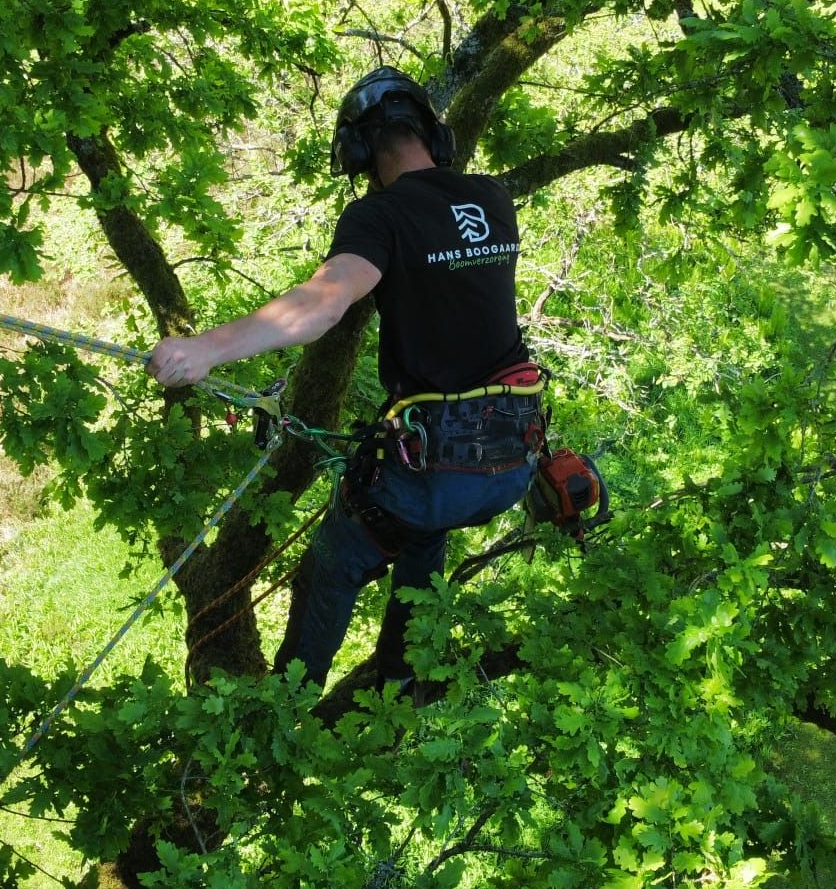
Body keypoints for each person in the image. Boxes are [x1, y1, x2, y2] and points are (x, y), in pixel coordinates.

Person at [146, 66, 542, 691]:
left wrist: (206, 349)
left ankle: (284, 703)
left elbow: (322, 304)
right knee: (422, 535)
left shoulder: (378, 216)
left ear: (357, 153)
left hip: (434, 468)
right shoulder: (492, 198)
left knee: (332, 565)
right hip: (509, 458)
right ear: (432, 135)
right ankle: (399, 685)